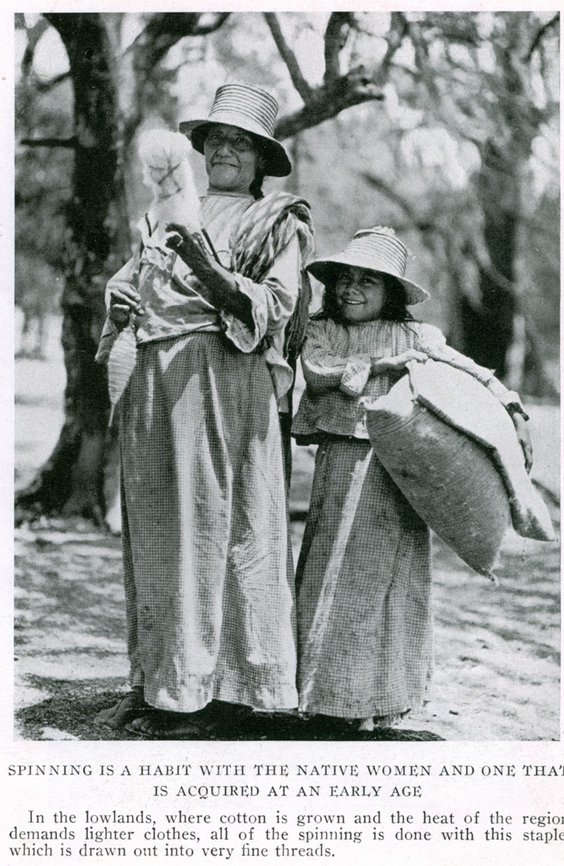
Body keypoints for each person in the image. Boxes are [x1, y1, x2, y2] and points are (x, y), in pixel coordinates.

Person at [95, 82, 314, 739]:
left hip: (224, 382)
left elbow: (274, 306)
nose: (225, 151)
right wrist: (121, 300)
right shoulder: (166, 210)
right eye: (216, 140)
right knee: (160, 529)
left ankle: (222, 694)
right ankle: (159, 682)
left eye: (240, 144)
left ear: (260, 159)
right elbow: (133, 280)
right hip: (155, 383)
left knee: (220, 529)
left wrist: (205, 262)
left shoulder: (278, 220)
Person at [291, 226, 531, 732]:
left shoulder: (417, 336)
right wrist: (383, 363)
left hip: (397, 468)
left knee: (386, 574)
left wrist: (509, 401)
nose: (351, 290)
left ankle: (377, 696)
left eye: (368, 282)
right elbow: (317, 372)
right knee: (332, 565)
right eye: (345, 279)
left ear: (393, 292)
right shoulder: (323, 330)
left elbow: (467, 369)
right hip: (341, 459)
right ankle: (325, 694)